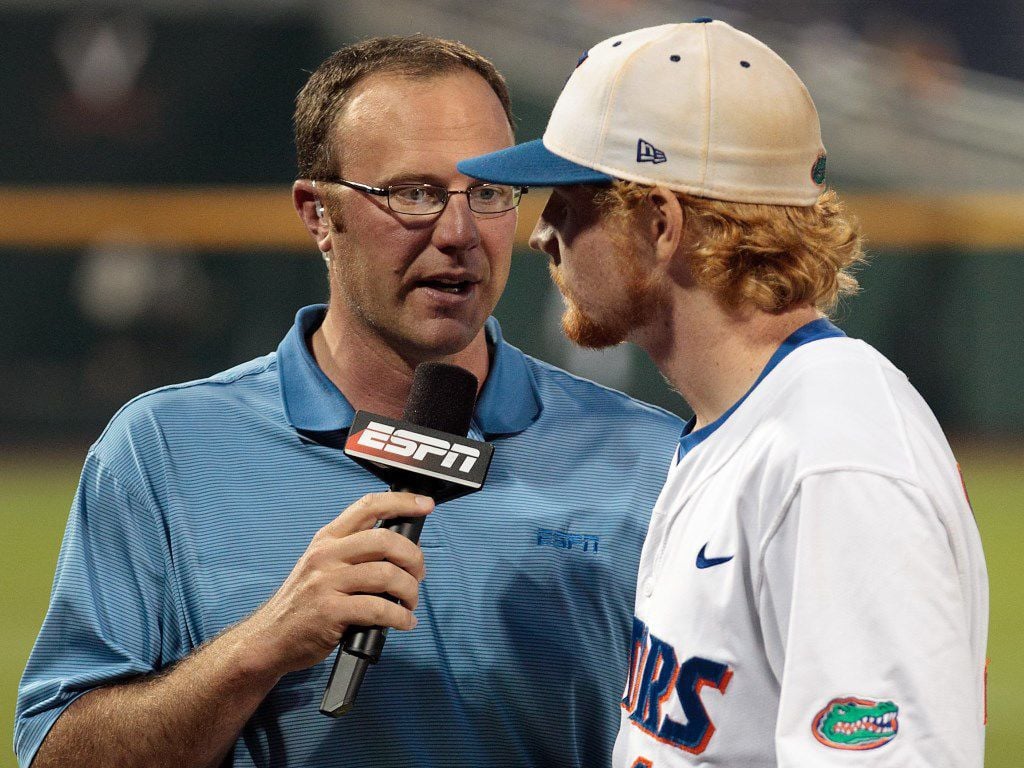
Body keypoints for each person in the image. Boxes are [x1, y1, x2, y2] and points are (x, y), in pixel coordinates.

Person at [15, 36, 684, 768]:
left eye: (488, 193)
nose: (459, 234)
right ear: (316, 215)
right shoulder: (163, 449)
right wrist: (259, 648)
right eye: (413, 194)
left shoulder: (649, 460)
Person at [459, 19, 988, 768]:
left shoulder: (833, 457)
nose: (543, 233)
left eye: (570, 203)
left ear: (660, 223)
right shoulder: (744, 427)